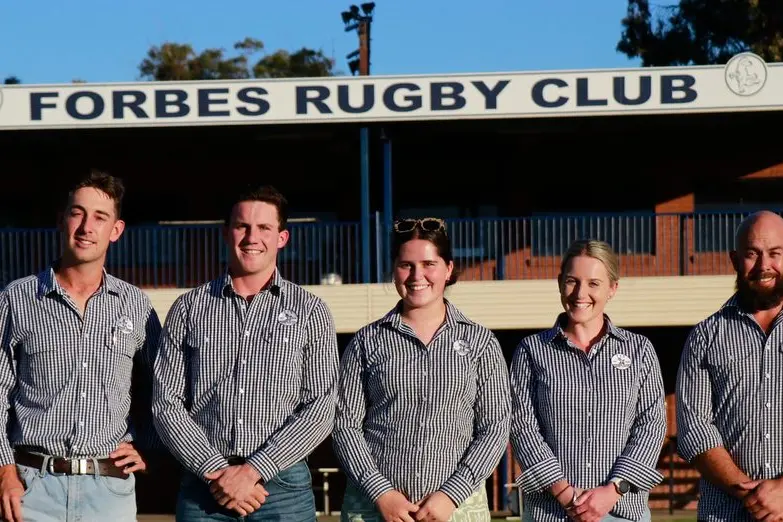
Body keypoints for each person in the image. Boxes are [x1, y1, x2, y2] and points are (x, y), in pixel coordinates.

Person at [152, 184, 339, 521]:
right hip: (204, 486)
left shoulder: (311, 311)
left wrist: (253, 470)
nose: (252, 237)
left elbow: (321, 405)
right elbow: (166, 403)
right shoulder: (189, 309)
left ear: (282, 237)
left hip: (283, 486)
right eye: (242, 226)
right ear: (227, 233)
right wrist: (217, 471)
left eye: (264, 228)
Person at [0, 170, 161, 521]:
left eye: (100, 217)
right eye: (78, 213)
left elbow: (162, 390)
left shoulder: (137, 306)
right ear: (62, 220)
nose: (87, 227)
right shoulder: (16, 299)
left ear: (115, 231)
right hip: (30, 489)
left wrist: (148, 447)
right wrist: (4, 472)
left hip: (109, 491)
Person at [332, 217, 511, 522]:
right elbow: (343, 424)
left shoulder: (480, 342)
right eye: (406, 265)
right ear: (394, 270)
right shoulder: (367, 342)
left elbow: (495, 427)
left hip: (456, 510)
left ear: (449, 269)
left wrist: (452, 494)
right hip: (374, 510)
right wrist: (381, 493)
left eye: (429, 263)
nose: (417, 275)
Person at [510, 239, 666, 522]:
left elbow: (651, 425)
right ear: (560, 284)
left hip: (621, 511)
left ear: (613, 288)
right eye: (572, 281)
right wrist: (566, 494)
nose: (581, 293)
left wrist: (614, 490)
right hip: (552, 512)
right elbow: (522, 427)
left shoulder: (639, 350)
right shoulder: (531, 351)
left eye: (594, 283)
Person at [676, 210, 783, 522]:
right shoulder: (705, 336)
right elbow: (695, 430)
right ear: (735, 260)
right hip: (726, 514)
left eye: (775, 253)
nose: (764, 266)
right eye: (752, 254)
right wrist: (754, 496)